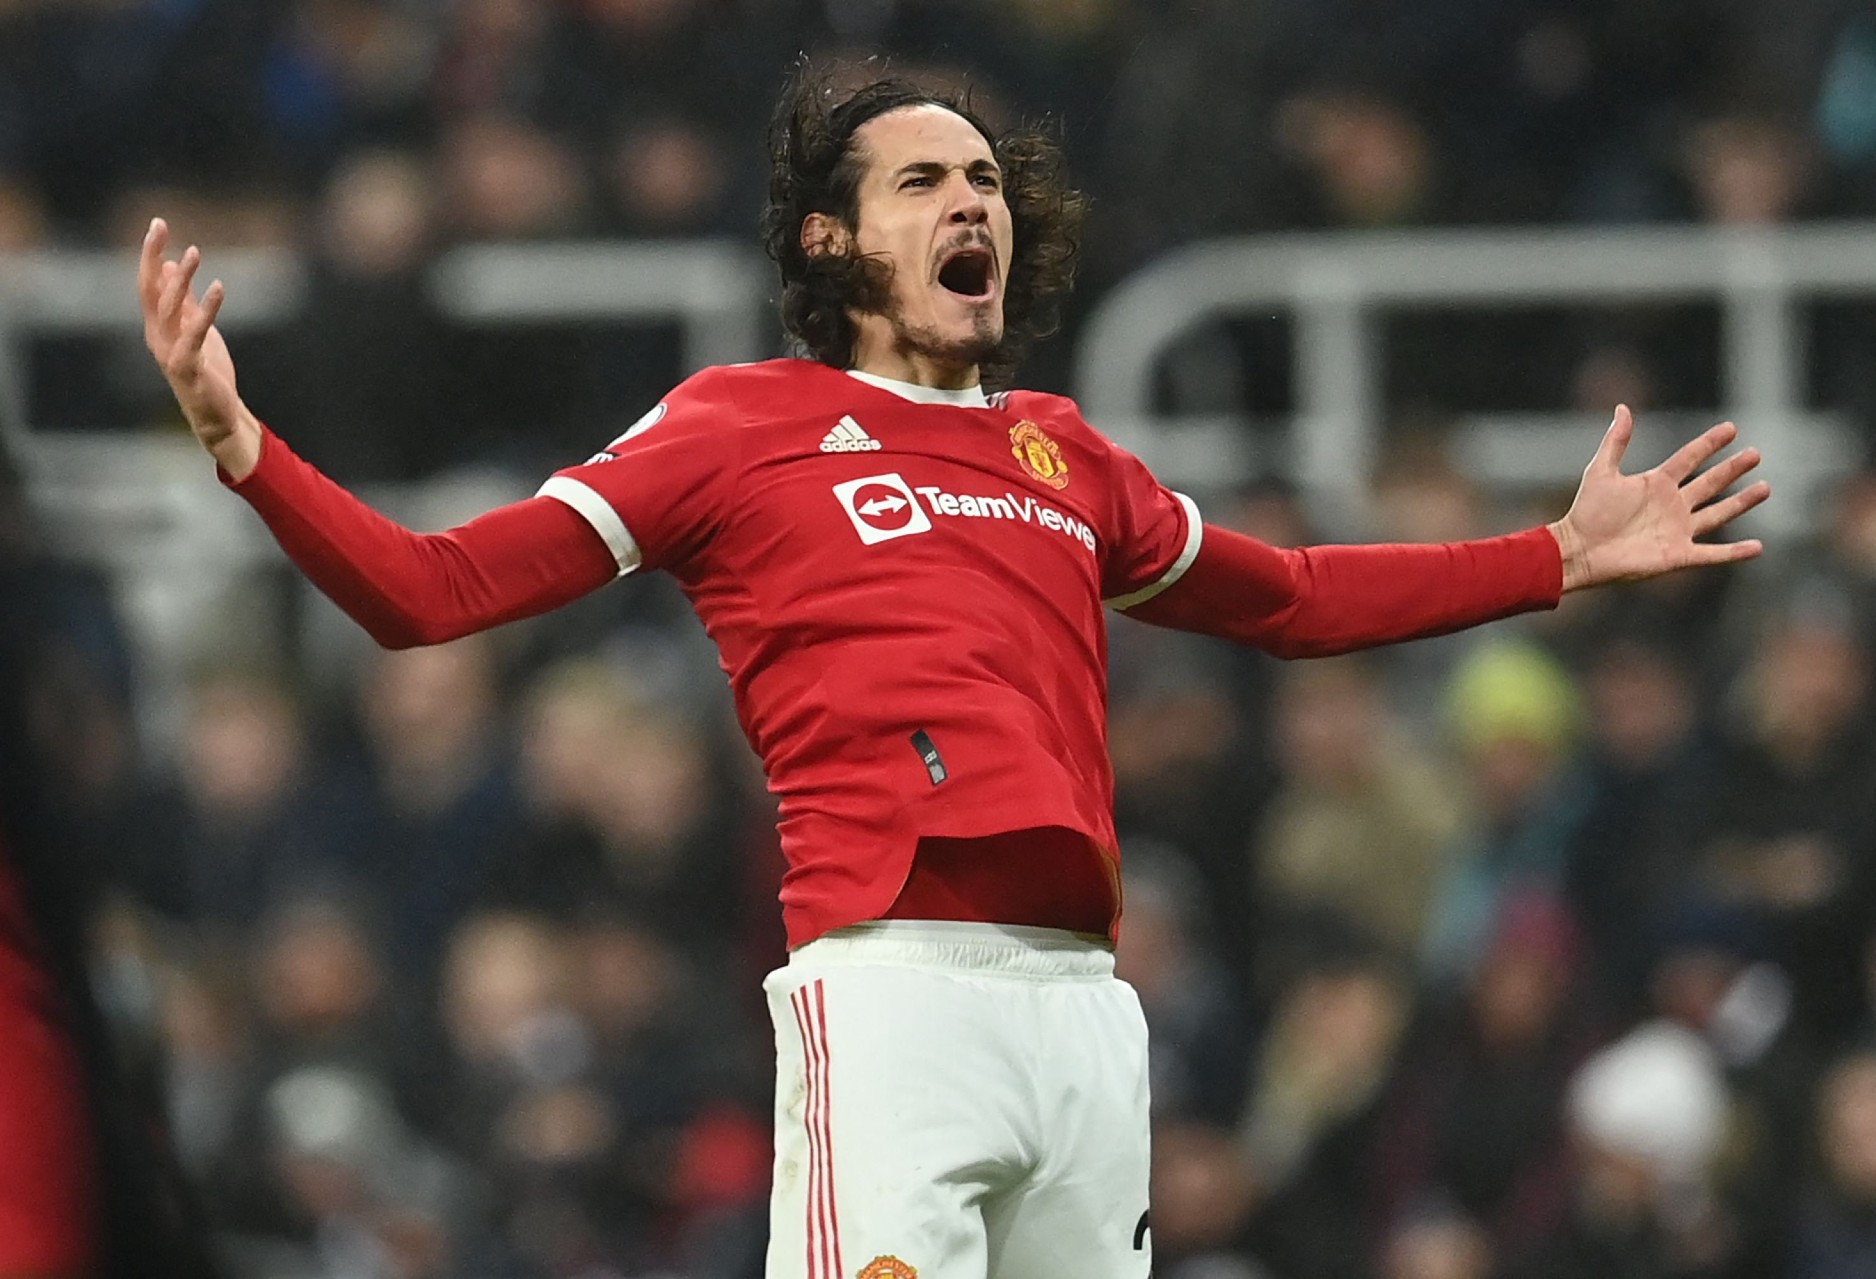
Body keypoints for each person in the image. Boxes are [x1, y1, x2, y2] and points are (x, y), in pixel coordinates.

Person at [138, 69, 1768, 1279]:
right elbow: (433, 592)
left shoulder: (1063, 456)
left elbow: (1293, 596)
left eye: (983, 176)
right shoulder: (734, 423)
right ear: (834, 235)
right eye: (921, 180)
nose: (969, 200)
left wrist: (1551, 559)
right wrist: (244, 444)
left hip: (1082, 1015)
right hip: (892, 987)